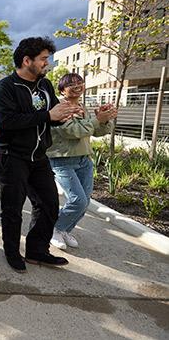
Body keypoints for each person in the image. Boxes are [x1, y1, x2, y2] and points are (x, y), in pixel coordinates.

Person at [0, 37, 81, 273]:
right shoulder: (6, 87)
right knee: (12, 209)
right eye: (43, 59)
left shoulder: (45, 86)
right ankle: (12, 252)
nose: (47, 64)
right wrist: (48, 116)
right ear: (26, 60)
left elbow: (50, 117)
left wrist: (64, 114)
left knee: (49, 204)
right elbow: (7, 121)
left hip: (39, 157)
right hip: (11, 157)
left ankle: (36, 251)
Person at [47, 73, 116, 250]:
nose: (77, 85)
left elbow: (96, 132)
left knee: (84, 201)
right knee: (77, 200)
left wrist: (104, 119)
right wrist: (95, 120)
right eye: (71, 83)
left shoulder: (82, 107)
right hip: (62, 160)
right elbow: (71, 131)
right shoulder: (59, 107)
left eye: (80, 82)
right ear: (62, 90)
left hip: (84, 159)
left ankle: (64, 230)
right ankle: (55, 229)